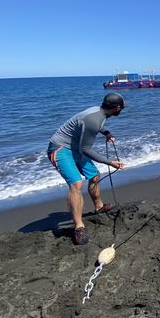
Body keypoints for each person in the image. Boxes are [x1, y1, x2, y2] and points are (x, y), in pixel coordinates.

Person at [47, 93, 127, 245]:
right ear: (117, 108)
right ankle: (79, 227)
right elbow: (86, 149)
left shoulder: (100, 113)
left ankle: (99, 207)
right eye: (121, 108)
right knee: (76, 184)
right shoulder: (94, 118)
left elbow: (96, 125)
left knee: (95, 175)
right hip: (60, 148)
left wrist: (106, 132)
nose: (121, 110)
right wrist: (110, 162)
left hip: (75, 147)